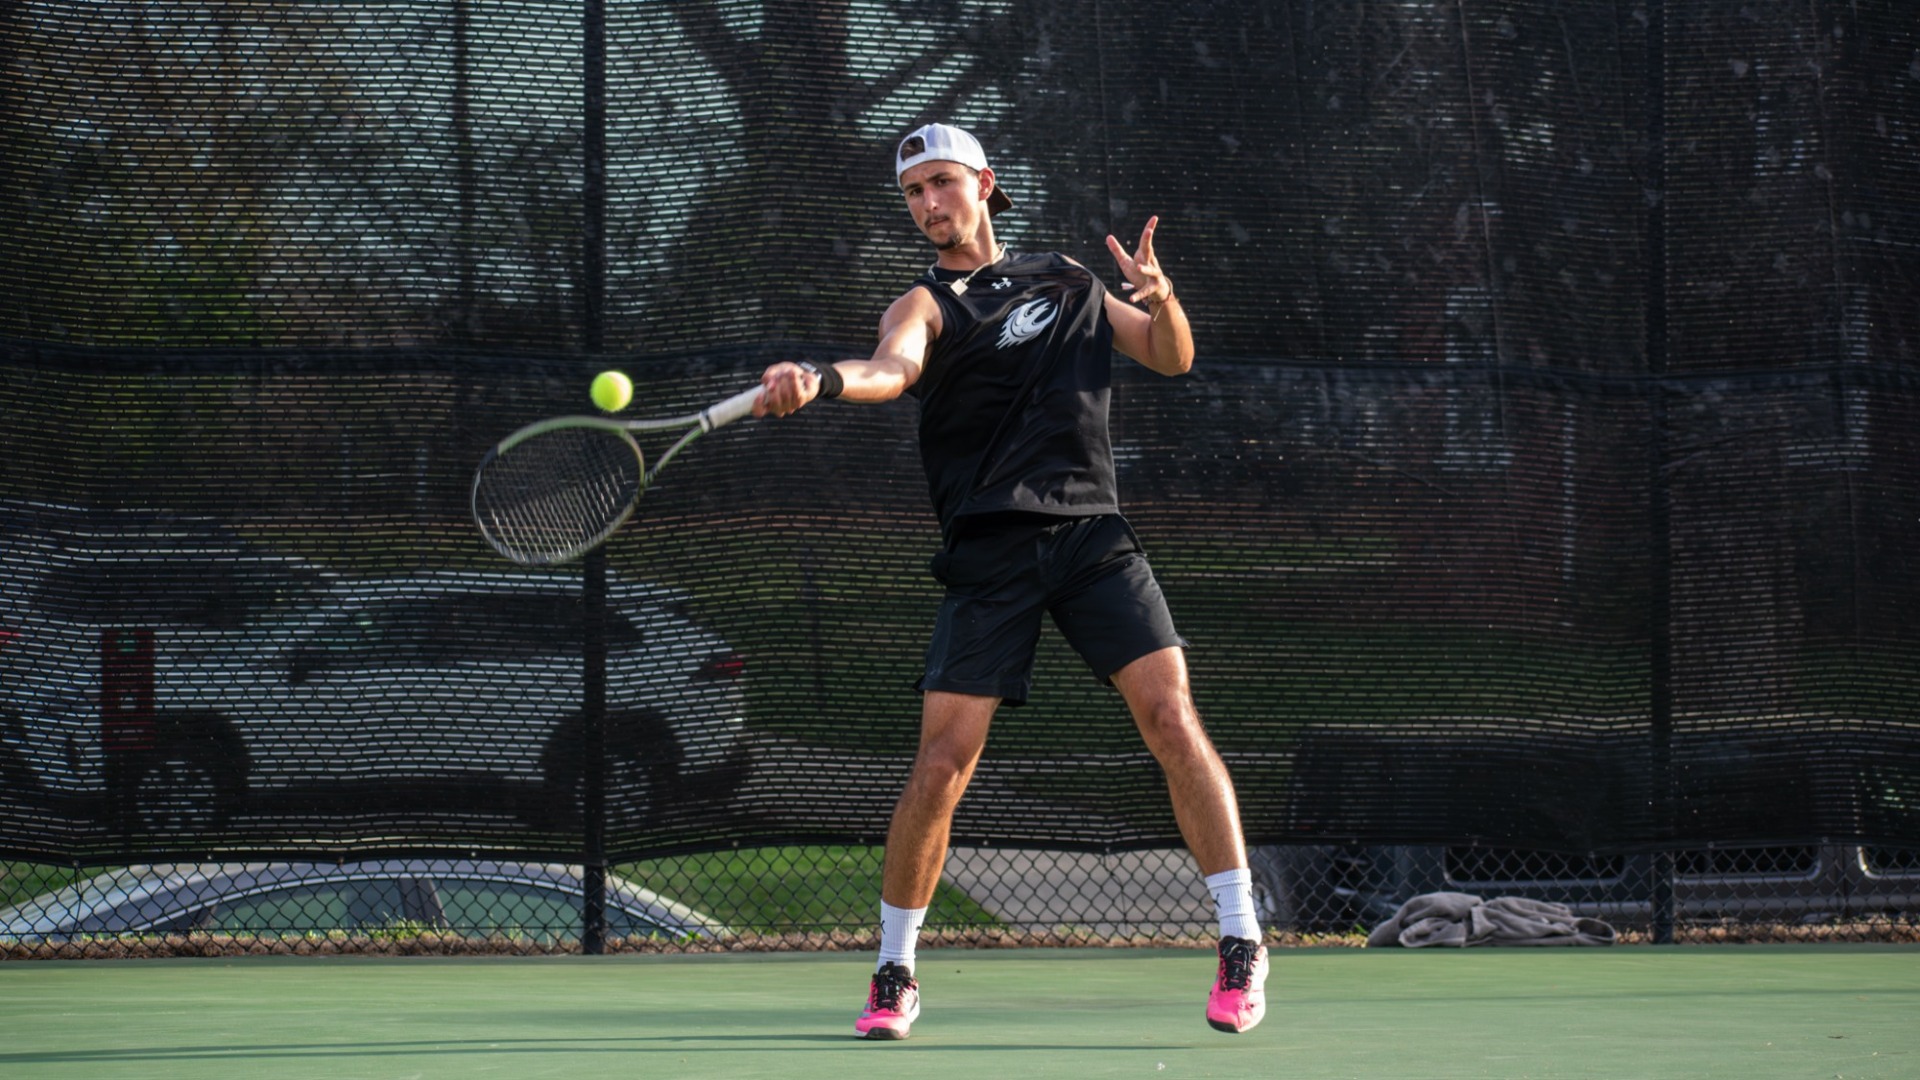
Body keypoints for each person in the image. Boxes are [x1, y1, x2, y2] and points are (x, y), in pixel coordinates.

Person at [754, 123, 1267, 1040]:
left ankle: (1239, 939)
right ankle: (894, 968)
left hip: (1093, 537)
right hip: (990, 553)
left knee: (1172, 717)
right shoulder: (923, 303)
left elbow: (1170, 354)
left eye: (942, 184)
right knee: (943, 765)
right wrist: (824, 380)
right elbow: (891, 369)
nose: (928, 205)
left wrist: (1164, 296)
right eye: (913, 194)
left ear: (985, 184)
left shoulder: (1070, 278)